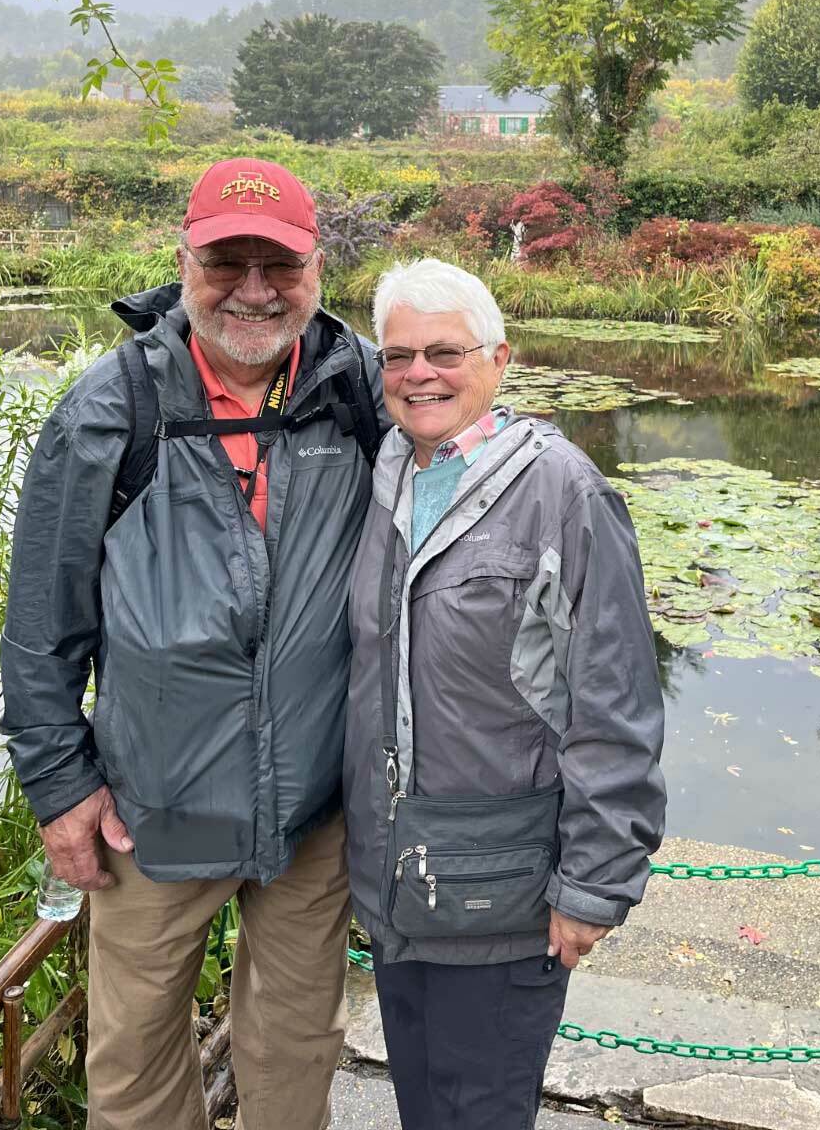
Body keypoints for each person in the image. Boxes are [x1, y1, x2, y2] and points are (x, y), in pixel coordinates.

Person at [0, 157, 387, 1130]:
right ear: (183, 257)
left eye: (279, 264)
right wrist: (59, 787)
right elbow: (43, 626)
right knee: (132, 1061)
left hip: (314, 805)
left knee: (296, 1045)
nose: (253, 289)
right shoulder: (108, 409)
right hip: (151, 804)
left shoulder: (366, 393)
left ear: (317, 271)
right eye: (226, 260)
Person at [343, 258, 666, 1130]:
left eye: (445, 352)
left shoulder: (563, 492)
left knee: (481, 1112)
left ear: (499, 358)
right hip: (397, 886)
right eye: (398, 355)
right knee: (422, 1107)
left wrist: (592, 883)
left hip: (503, 892)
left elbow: (616, 701)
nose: (419, 374)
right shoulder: (384, 476)